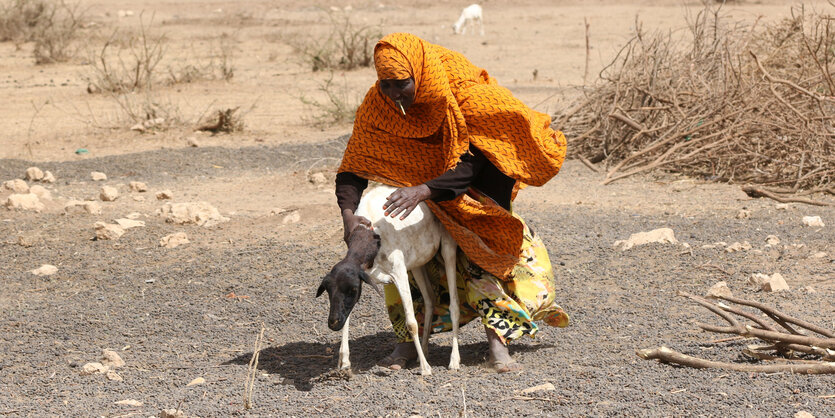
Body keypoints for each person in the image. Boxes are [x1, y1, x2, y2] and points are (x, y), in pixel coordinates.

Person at [335, 32, 569, 373]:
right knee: (401, 260)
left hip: (478, 188)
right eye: (385, 85)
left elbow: (478, 160)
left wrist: (424, 190)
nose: (393, 94)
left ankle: (497, 346)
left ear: (419, 73)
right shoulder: (379, 105)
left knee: (484, 262)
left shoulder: (466, 95)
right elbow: (352, 167)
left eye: (401, 84)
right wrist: (348, 214)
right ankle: (408, 345)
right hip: (418, 191)